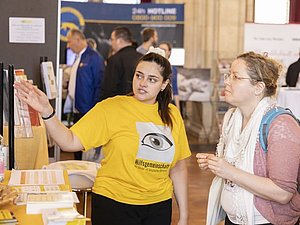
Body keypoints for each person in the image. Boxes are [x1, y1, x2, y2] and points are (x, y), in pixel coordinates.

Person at [14, 50, 191, 225]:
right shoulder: (111, 108)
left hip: (158, 205)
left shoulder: (172, 115)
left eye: (152, 79)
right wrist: (47, 112)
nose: (142, 83)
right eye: (139, 75)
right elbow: (69, 141)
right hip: (114, 203)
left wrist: (184, 215)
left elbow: (178, 167)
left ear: (164, 84)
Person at [196, 52, 300, 225]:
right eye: (228, 75)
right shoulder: (231, 117)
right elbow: (235, 163)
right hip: (233, 219)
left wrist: (229, 171)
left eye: (235, 77)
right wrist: (215, 163)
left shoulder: (281, 125)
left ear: (258, 87)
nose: (227, 81)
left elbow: (283, 193)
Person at [66, 29, 105, 160]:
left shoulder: (94, 58)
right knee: (75, 140)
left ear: (78, 40)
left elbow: (99, 84)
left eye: (69, 42)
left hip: (87, 109)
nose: (68, 46)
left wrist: (94, 109)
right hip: (78, 107)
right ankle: (76, 164)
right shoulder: (79, 57)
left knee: (83, 143)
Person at [100, 26, 142, 100]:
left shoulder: (114, 60)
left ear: (119, 41)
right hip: (139, 105)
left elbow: (109, 89)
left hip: (118, 106)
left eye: (112, 39)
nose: (111, 43)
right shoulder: (142, 58)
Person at [159, 41, 180, 110]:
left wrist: (178, 109)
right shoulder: (153, 67)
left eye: (164, 50)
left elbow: (175, 89)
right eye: (159, 49)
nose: (161, 51)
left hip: (168, 101)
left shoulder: (173, 69)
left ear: (169, 52)